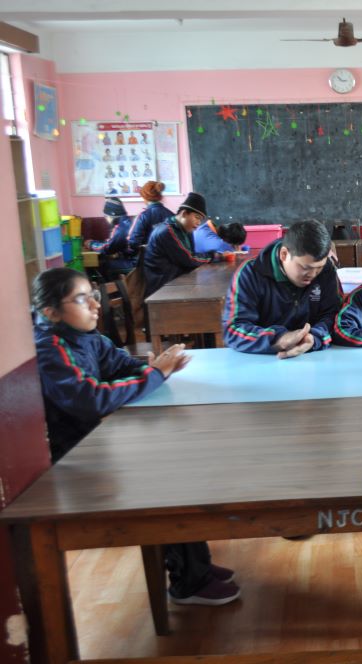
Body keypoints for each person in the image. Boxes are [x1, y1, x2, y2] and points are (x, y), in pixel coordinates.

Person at [31, 268, 239, 606]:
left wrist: (152, 371)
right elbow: (92, 398)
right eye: (82, 299)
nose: (96, 306)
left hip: (99, 444)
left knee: (180, 464)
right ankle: (187, 581)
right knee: (167, 478)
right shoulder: (50, 349)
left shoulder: (87, 337)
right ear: (50, 312)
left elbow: (125, 366)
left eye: (93, 296)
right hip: (72, 464)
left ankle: (195, 566)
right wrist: (156, 374)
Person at [223, 220, 343, 357]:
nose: (313, 274)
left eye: (319, 267)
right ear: (284, 254)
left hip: (314, 358)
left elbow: (335, 316)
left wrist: (314, 338)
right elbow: (233, 329)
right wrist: (277, 339)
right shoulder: (250, 274)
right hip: (262, 361)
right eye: (305, 267)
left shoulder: (327, 271)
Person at [143, 192, 223, 296]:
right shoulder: (167, 231)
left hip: (176, 282)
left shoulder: (184, 230)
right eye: (197, 217)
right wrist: (215, 256)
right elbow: (190, 259)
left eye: (201, 220)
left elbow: (191, 256)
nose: (199, 223)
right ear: (184, 213)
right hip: (162, 289)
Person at [85, 197, 137, 276]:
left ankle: (115, 287)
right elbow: (112, 243)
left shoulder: (120, 229)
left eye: (106, 216)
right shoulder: (126, 222)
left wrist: (90, 244)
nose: (106, 219)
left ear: (111, 215)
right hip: (135, 259)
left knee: (103, 264)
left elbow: (107, 249)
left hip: (132, 263)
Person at [127, 180, 175, 254]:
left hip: (147, 260)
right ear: (160, 196)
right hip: (169, 259)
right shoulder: (171, 215)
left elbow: (134, 243)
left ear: (145, 197)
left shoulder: (143, 216)